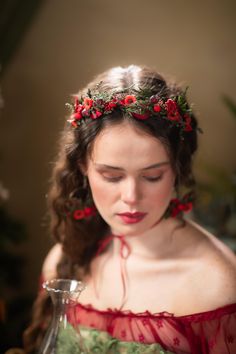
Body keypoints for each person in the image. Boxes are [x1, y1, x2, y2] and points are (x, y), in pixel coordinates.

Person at [23, 65, 236, 353]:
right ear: (83, 166)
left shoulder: (215, 285)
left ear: (177, 169)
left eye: (152, 176)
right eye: (112, 176)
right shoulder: (66, 257)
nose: (131, 197)